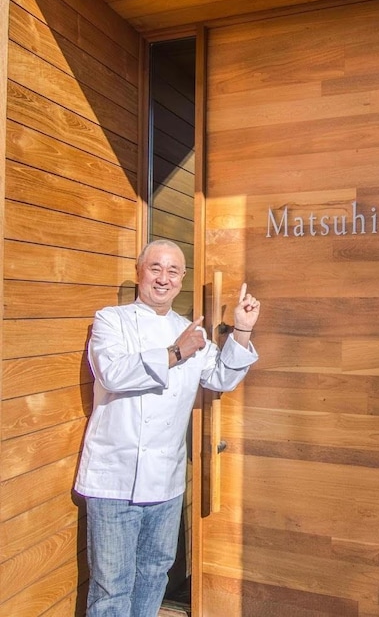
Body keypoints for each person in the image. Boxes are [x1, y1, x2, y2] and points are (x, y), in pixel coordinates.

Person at [74, 239, 260, 617]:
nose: (163, 278)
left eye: (173, 271)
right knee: (111, 586)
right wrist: (176, 353)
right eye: (155, 268)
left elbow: (221, 378)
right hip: (114, 479)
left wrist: (241, 330)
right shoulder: (111, 319)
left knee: (155, 574)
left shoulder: (191, 332)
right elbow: (112, 374)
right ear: (139, 272)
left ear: (182, 280)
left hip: (166, 482)